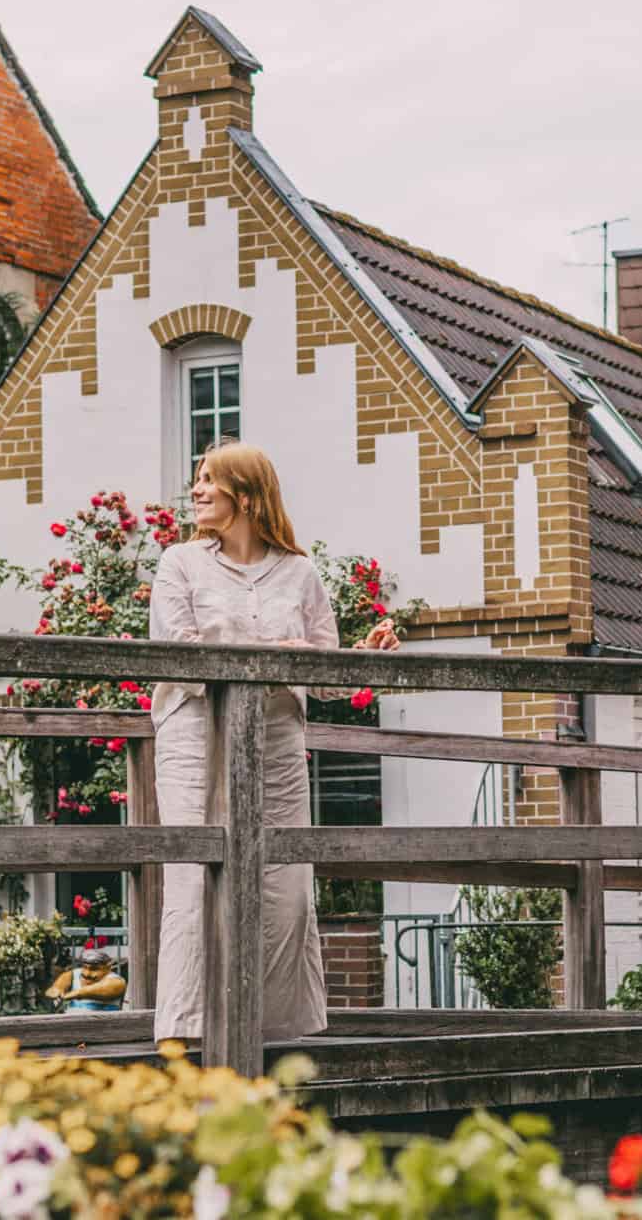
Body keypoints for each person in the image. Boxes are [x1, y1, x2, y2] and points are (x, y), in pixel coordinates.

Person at [146, 440, 398, 1044]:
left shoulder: (299, 573)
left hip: (277, 742)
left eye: (210, 480)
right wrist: (281, 658)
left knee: (286, 889)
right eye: (197, 479)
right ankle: (183, 1033)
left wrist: (362, 660)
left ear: (248, 495)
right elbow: (181, 650)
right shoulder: (179, 564)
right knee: (195, 880)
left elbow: (327, 675)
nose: (198, 491)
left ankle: (278, 1032)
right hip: (195, 739)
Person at [45, 946, 128, 1013]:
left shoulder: (116, 981)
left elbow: (107, 988)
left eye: (94, 969)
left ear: (108, 967)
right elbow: (57, 987)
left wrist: (76, 993)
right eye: (85, 967)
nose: (87, 974)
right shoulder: (73, 974)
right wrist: (58, 990)